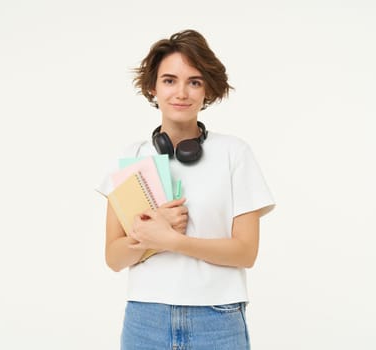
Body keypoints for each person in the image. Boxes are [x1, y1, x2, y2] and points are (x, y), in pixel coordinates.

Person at [97, 29, 275, 350]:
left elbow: (246, 252)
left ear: (207, 89)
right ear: (153, 87)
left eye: (194, 81)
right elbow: (113, 257)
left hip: (217, 318)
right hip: (145, 319)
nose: (182, 92)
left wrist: (173, 240)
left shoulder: (234, 153)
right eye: (169, 80)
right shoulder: (133, 157)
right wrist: (148, 235)